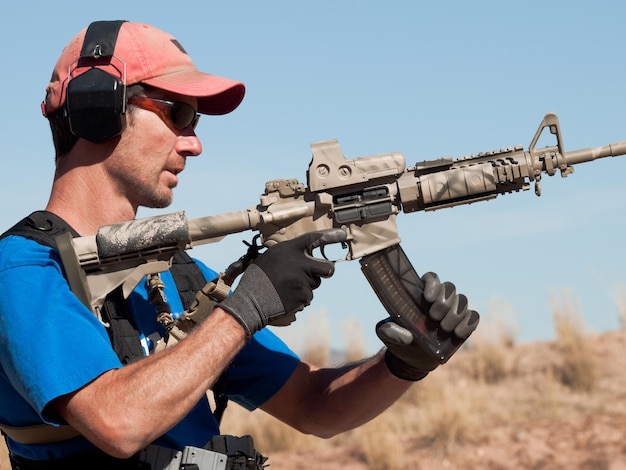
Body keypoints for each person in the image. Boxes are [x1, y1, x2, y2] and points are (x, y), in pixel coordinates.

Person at [0, 20, 479, 469]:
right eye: (178, 113)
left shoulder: (172, 274)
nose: (193, 143)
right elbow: (119, 423)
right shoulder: (23, 270)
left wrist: (402, 364)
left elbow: (313, 406)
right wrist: (246, 308)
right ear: (97, 108)